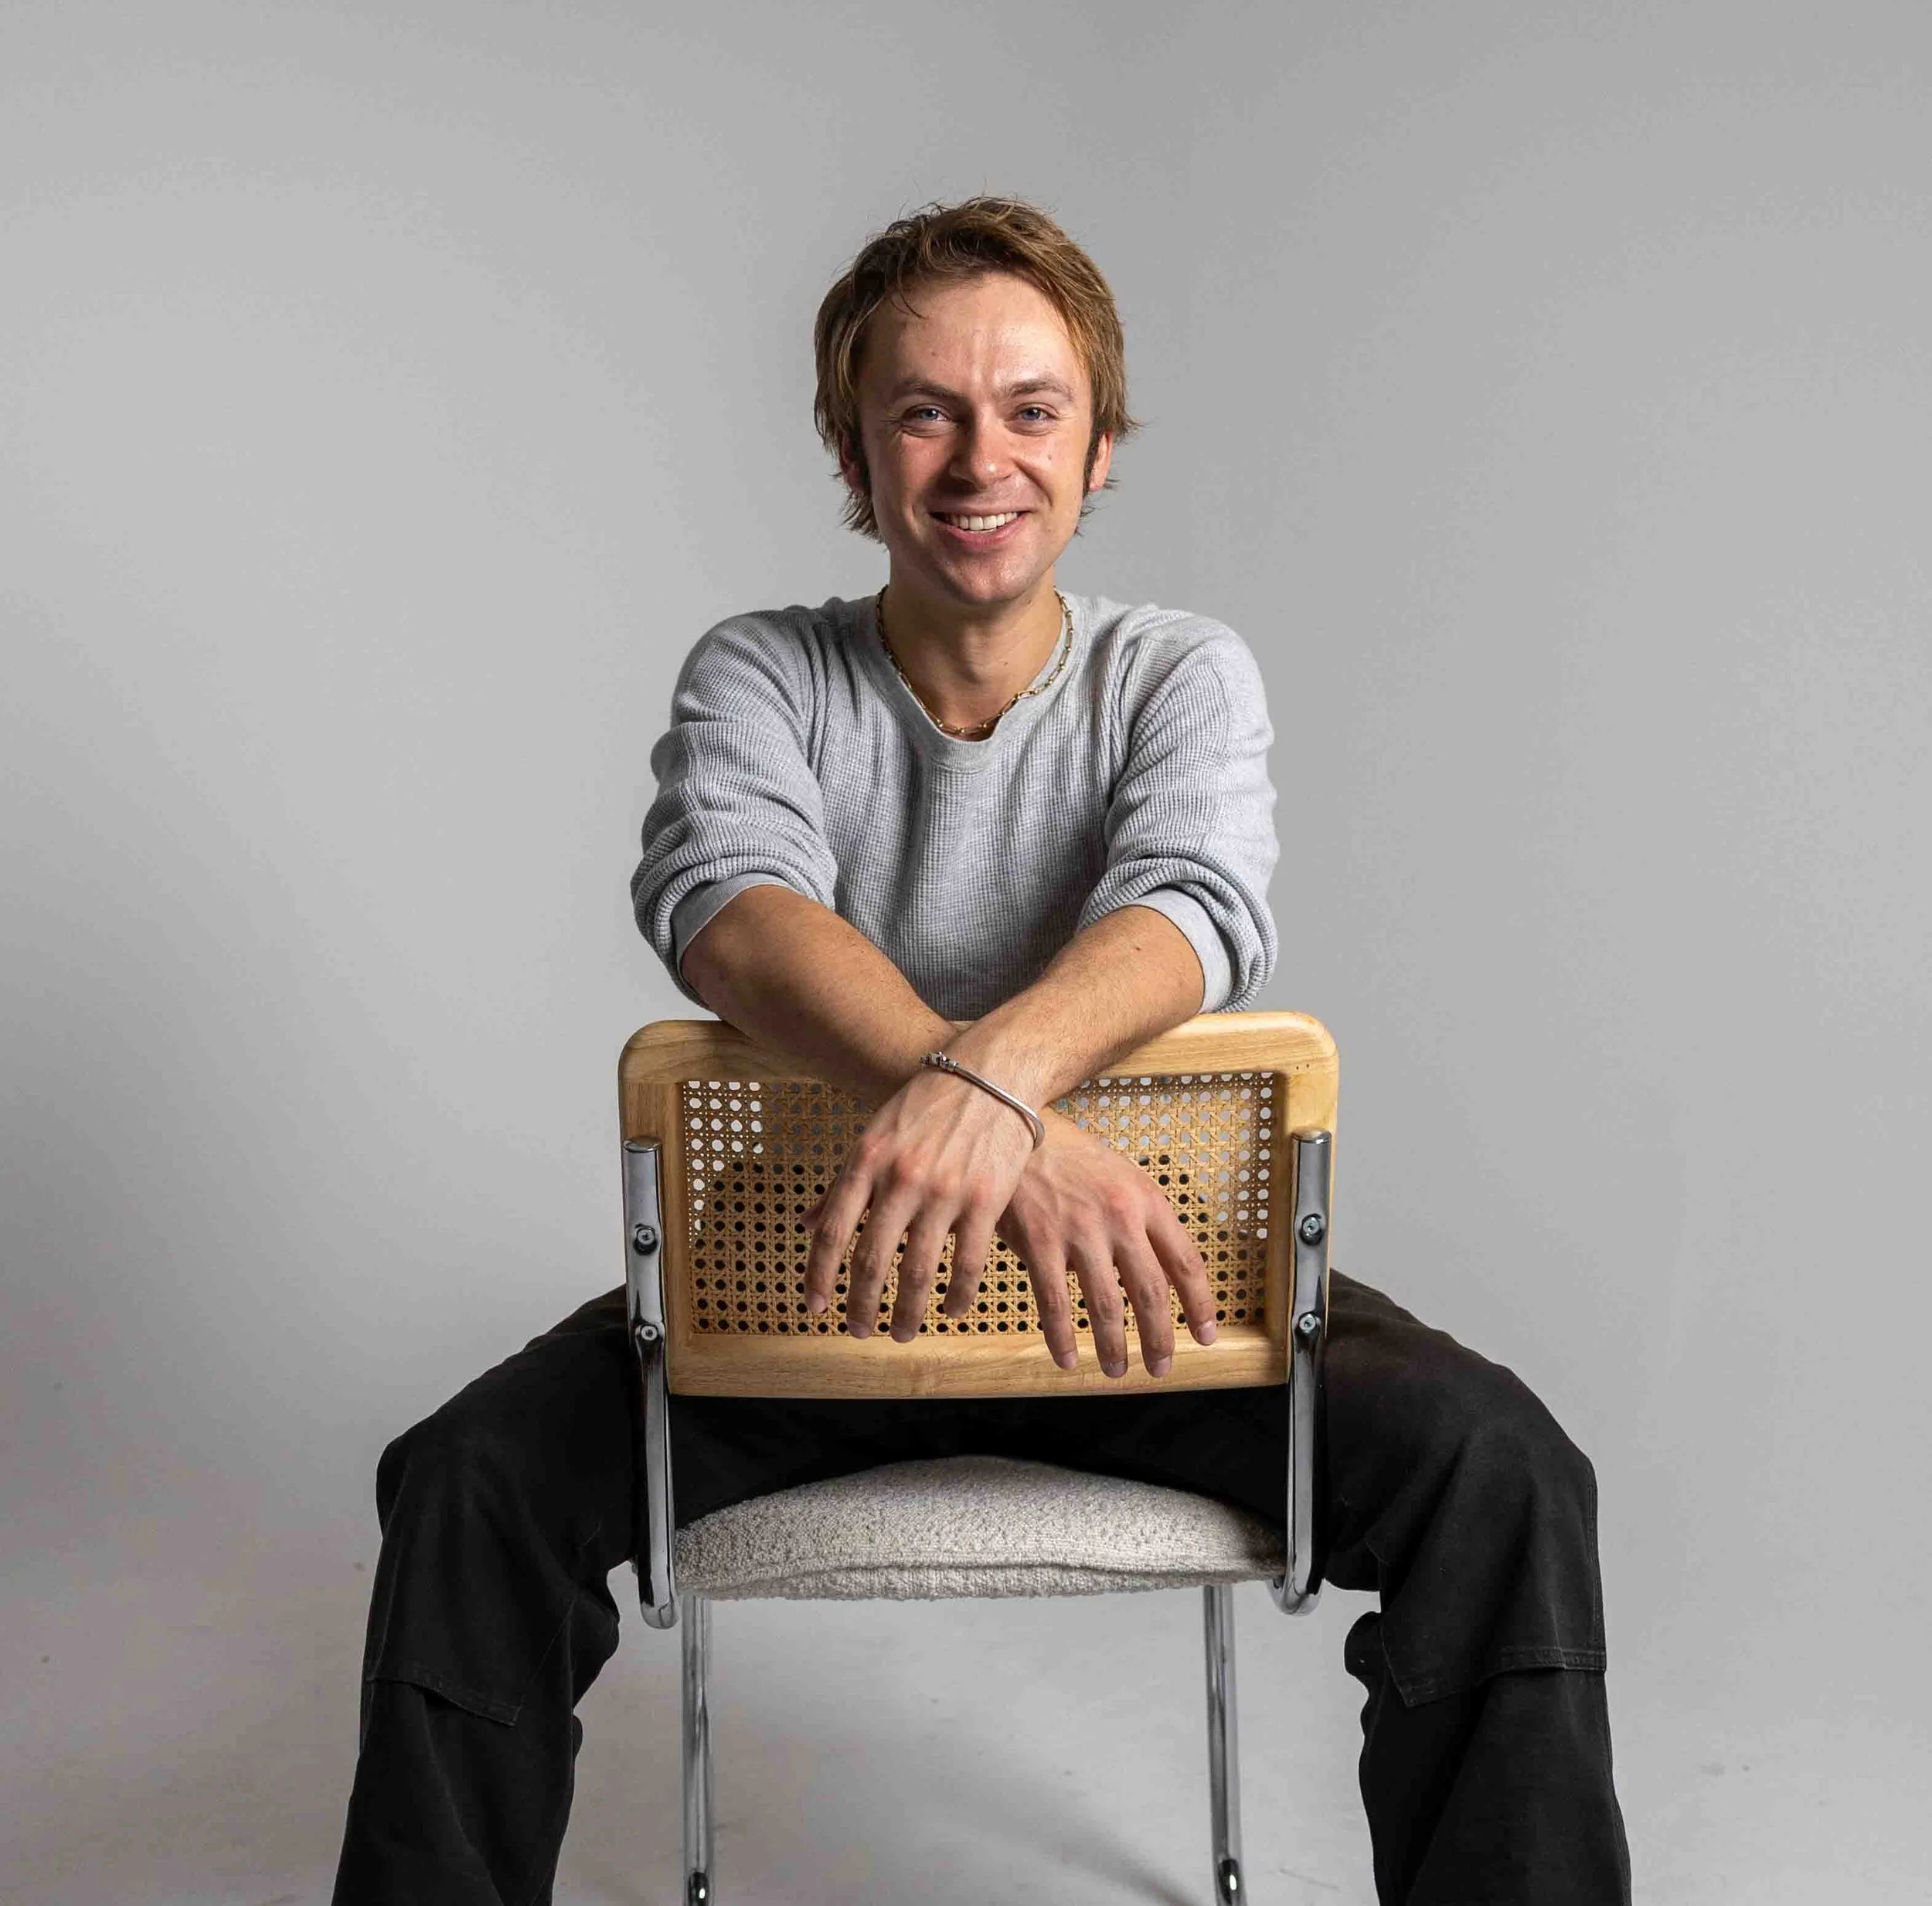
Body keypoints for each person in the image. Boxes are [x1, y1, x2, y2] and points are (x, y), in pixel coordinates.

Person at [331, 195, 1631, 1905]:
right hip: (810, 1291)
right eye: (921, 411)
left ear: (1098, 451)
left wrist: (982, 1089)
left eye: (1030, 408)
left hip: (1144, 1296)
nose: (976, 459)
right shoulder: (763, 673)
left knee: (1504, 1471)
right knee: (466, 1482)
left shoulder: (1175, 670)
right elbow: (724, 902)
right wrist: (997, 1108)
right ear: (852, 454)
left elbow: (1196, 901)